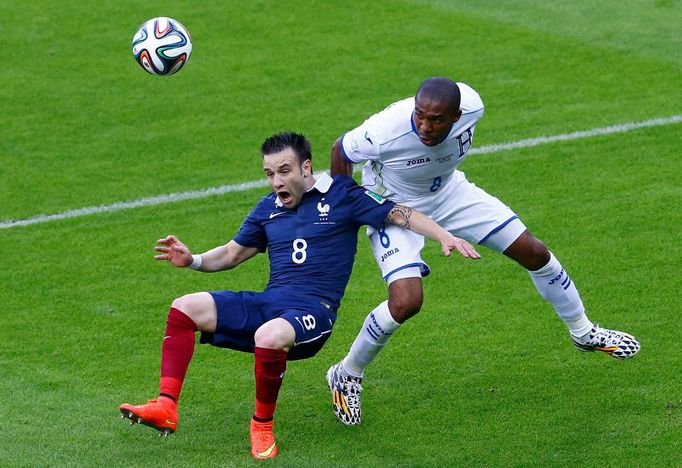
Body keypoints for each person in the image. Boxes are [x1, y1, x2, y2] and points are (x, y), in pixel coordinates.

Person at [118, 131, 480, 459]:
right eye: (269, 174)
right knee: (185, 307)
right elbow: (230, 254)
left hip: (314, 313)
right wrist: (193, 259)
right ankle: (166, 406)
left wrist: (443, 236)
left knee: (269, 335)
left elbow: (402, 214)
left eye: (284, 171)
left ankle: (262, 426)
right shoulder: (267, 209)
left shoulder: (343, 196)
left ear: (306, 168)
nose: (276, 182)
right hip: (272, 302)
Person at [325, 77, 641, 426]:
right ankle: (347, 372)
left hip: (451, 193)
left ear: (458, 116)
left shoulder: (474, 105)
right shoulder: (384, 131)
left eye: (436, 120)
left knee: (535, 252)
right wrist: (349, 205)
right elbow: (341, 149)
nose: (425, 127)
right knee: (406, 301)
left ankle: (584, 333)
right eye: (420, 117)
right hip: (395, 207)